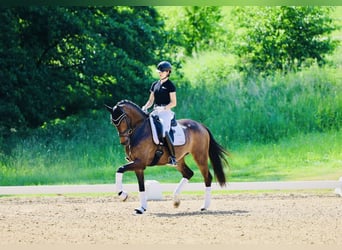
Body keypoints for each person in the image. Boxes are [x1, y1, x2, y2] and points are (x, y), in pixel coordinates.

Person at [142, 61, 177, 166]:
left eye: (162, 71)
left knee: (164, 131)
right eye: (159, 71)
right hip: (155, 111)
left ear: (168, 72)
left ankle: (172, 157)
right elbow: (150, 101)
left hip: (166, 112)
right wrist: (145, 107)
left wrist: (164, 108)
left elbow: (174, 103)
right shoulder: (155, 84)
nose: (160, 73)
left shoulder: (170, 85)